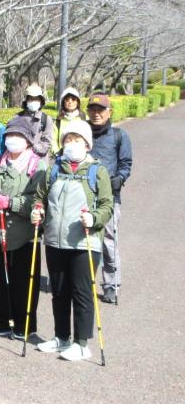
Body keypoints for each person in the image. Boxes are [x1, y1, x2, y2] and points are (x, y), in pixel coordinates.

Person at [32, 119, 114, 362]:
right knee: (58, 291)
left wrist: (95, 218)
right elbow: (40, 196)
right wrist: (38, 210)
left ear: (87, 144)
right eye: (68, 139)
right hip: (55, 240)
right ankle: (61, 338)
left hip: (84, 243)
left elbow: (107, 204)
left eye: (77, 140)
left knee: (81, 293)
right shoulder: (54, 169)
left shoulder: (97, 170)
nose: (72, 144)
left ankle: (81, 343)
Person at [0, 117, 47, 338]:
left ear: (28, 140)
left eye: (18, 136)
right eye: (9, 135)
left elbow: (39, 200)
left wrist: (11, 202)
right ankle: (1, 320)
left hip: (26, 234)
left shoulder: (38, 165)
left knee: (24, 281)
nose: (13, 140)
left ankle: (23, 325)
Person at [87, 93, 132, 304]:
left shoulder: (119, 135)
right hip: (84, 196)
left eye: (101, 110)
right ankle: (85, 282)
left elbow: (125, 164)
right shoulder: (82, 133)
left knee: (108, 242)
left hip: (109, 198)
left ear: (109, 112)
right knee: (82, 241)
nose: (96, 114)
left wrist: (119, 179)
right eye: (93, 110)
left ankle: (111, 285)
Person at [15, 83, 54, 159]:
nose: (33, 101)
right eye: (31, 99)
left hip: (39, 160)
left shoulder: (46, 119)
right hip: (20, 159)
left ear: (41, 101)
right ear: (26, 101)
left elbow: (47, 142)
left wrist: (32, 149)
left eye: (36, 99)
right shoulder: (17, 117)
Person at [54, 87, 86, 153]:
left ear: (77, 102)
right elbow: (53, 139)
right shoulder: (58, 120)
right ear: (63, 102)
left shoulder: (83, 118)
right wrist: (57, 153)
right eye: (67, 99)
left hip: (80, 155)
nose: (70, 102)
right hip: (62, 156)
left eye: (73, 99)